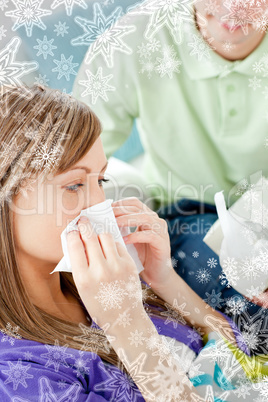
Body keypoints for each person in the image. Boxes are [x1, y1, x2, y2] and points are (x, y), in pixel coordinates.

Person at [0, 84, 266, 401]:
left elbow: (239, 360)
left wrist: (164, 279)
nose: (98, 204)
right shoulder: (18, 375)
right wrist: (126, 324)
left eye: (101, 180)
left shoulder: (113, 280)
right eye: (73, 185)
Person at [72, 0, 268, 321]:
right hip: (190, 213)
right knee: (249, 303)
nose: (234, 7)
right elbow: (74, 151)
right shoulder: (136, 38)